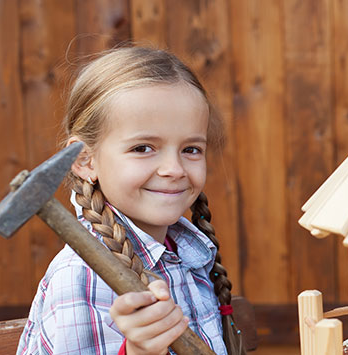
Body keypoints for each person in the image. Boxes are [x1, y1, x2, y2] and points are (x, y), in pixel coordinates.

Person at [16, 47, 244, 355]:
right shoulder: (82, 277)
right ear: (85, 159)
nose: (174, 170)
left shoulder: (190, 254)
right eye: (142, 148)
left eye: (191, 149)